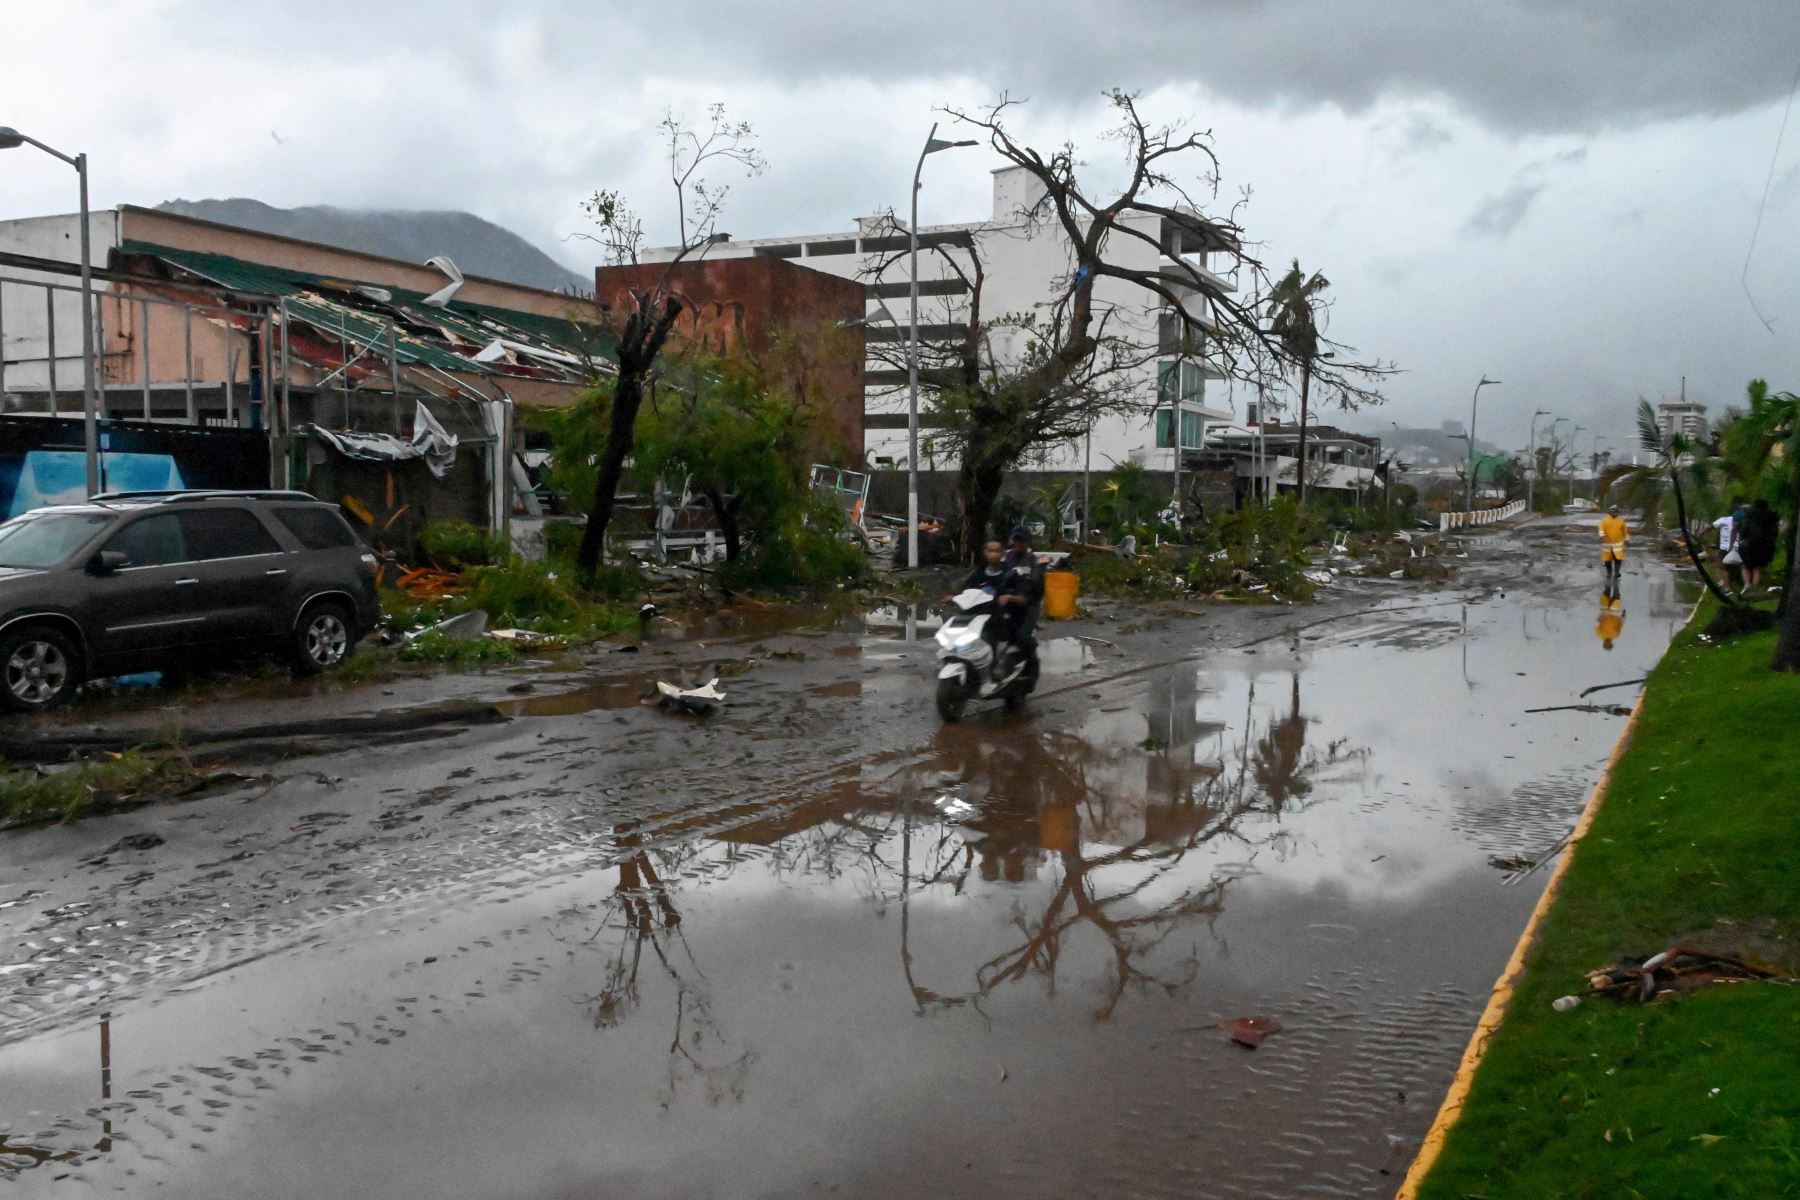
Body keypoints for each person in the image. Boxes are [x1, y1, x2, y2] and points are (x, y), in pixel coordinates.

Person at [1739, 497, 1780, 592]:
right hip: (1766, 544)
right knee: (1758, 567)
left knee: (1745, 565)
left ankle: (1747, 585)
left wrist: (1742, 537)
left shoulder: (1749, 514)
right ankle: (1755, 587)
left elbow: (1744, 529)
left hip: (1750, 544)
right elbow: (1776, 530)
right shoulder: (1771, 515)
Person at [1714, 507, 1745, 594]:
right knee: (1742, 566)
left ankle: (1727, 588)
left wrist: (1701, 534)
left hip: (1725, 548)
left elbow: (1710, 527)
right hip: (1739, 547)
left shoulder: (1723, 520)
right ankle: (1742, 586)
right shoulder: (1743, 520)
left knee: (1724, 568)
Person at [1598, 505, 1629, 582]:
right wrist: (1602, 536)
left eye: (1616, 512)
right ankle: (1609, 573)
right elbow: (1601, 529)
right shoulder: (1605, 520)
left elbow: (1625, 531)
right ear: (1610, 512)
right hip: (1607, 543)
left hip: (1618, 543)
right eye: (1613, 512)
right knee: (1607, 560)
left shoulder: (1621, 520)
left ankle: (1616, 573)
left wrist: (1626, 538)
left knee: (1618, 559)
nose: (1614, 513)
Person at [1595, 581, 1624, 651]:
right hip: (1615, 612)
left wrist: (1600, 618)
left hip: (1604, 611)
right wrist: (1623, 615)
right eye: (1609, 644)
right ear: (1611, 643)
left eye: (1606, 645)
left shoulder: (1599, 634)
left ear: (1604, 644)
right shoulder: (1616, 634)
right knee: (1616, 594)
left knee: (1606, 593)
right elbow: (1621, 623)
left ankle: (1609, 580)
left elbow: (1597, 622)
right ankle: (1615, 581)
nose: (1607, 643)